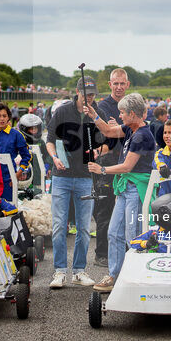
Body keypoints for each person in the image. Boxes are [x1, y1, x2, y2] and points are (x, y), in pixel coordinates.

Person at [84, 93, 157, 291]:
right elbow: (108, 130)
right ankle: (115, 275)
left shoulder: (142, 135)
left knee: (132, 235)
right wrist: (94, 116)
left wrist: (102, 170)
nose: (121, 116)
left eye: (123, 113)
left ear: (133, 114)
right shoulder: (130, 128)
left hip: (135, 190)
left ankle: (139, 275)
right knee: (114, 232)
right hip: (126, 189)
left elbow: (127, 167)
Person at [46, 78, 106, 289]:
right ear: (78, 92)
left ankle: (79, 271)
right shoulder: (62, 111)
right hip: (61, 176)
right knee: (60, 225)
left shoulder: (97, 112)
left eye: (92, 94)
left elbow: (109, 140)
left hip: (85, 177)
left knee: (83, 228)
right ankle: (60, 271)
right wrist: (54, 158)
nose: (89, 98)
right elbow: (50, 139)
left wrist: (99, 151)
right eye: (86, 94)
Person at [92, 69, 131, 268]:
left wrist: (121, 129)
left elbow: (138, 129)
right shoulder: (102, 106)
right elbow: (103, 135)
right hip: (107, 161)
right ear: (109, 85)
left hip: (129, 162)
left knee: (127, 208)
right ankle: (101, 252)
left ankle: (127, 249)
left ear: (128, 84)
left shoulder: (133, 104)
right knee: (104, 208)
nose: (118, 87)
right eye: (115, 84)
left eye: (122, 83)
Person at [0, 102, 31, 202]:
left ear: (8, 117)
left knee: (9, 208)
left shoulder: (16, 134)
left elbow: (27, 156)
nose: (2, 119)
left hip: (8, 179)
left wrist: (19, 173)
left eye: (4, 116)